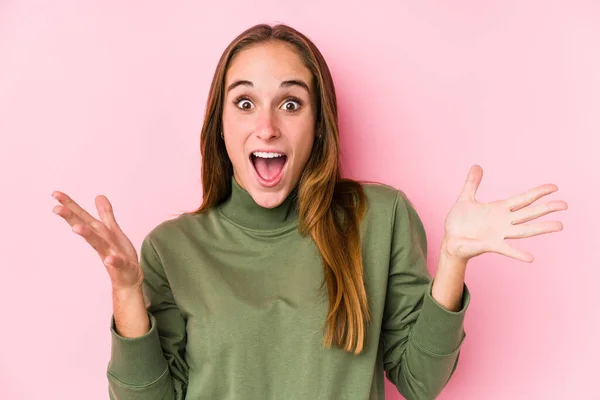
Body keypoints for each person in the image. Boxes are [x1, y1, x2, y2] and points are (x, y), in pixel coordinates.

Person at [51, 23, 568, 400]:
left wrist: (453, 261)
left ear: (319, 124)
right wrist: (125, 292)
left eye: (291, 103)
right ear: (220, 126)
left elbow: (418, 381)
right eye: (245, 102)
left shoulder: (380, 218)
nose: (268, 127)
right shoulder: (171, 248)